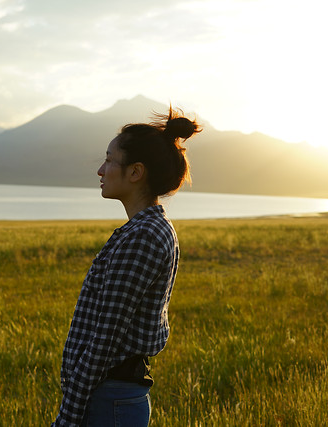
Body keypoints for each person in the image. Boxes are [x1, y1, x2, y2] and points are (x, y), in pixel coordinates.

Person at [52, 106, 201, 426]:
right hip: (110, 397)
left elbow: (104, 340)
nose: (101, 170)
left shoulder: (144, 236)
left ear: (135, 172)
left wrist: (69, 415)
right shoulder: (144, 230)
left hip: (109, 401)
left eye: (109, 160)